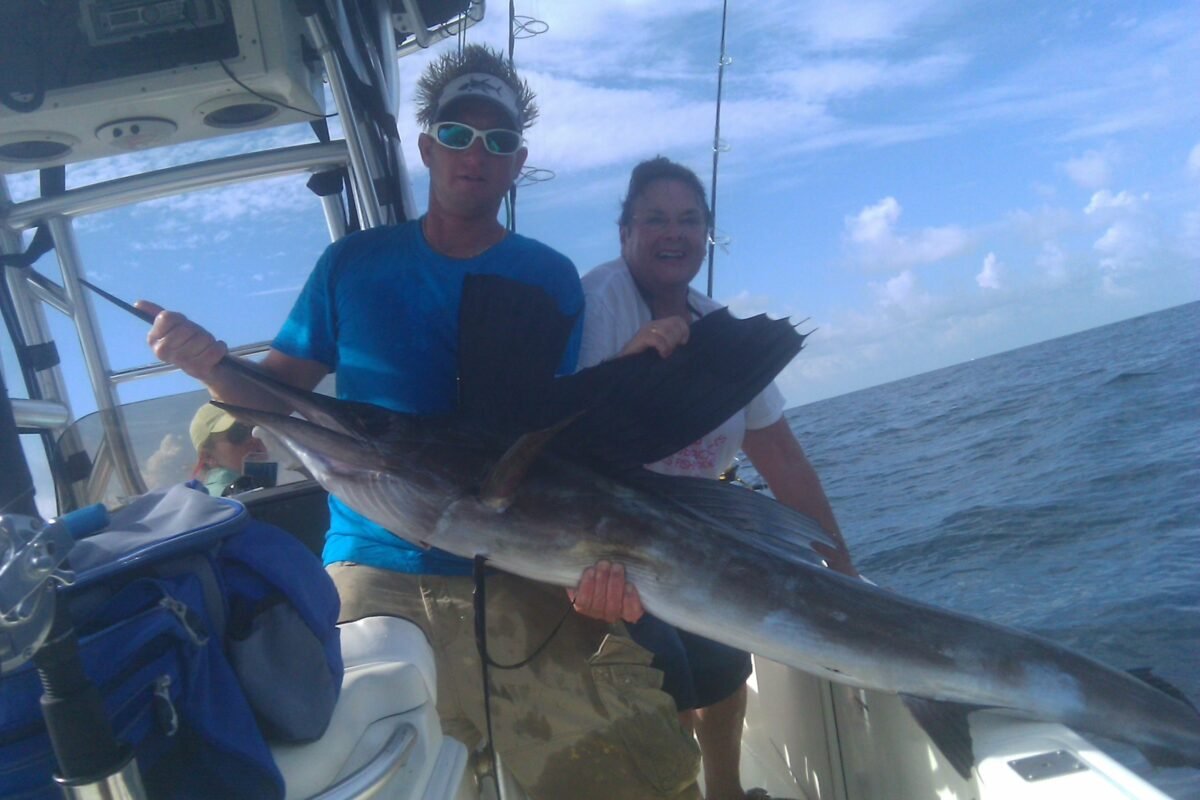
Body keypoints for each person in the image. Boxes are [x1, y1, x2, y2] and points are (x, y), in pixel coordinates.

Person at [136, 47, 700, 800]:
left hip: (514, 562)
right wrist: (209, 363)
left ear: (517, 163)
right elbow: (276, 396)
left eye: (498, 142)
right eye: (458, 136)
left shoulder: (548, 275)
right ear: (427, 148)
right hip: (374, 568)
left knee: (642, 775)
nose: (477, 154)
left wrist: (597, 565)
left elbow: (552, 436)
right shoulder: (351, 265)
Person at [576, 156, 858, 800]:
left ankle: (726, 793)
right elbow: (565, 430)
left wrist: (842, 568)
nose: (673, 232)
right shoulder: (597, 304)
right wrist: (627, 366)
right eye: (654, 219)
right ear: (625, 234)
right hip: (614, 540)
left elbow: (781, 455)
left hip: (702, 533)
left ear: (706, 234)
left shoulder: (716, 326)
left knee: (725, 666)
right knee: (665, 673)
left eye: (688, 219)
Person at [188, 403, 272, 496]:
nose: (255, 437)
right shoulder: (226, 499)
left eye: (255, 427)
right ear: (209, 457)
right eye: (239, 432)